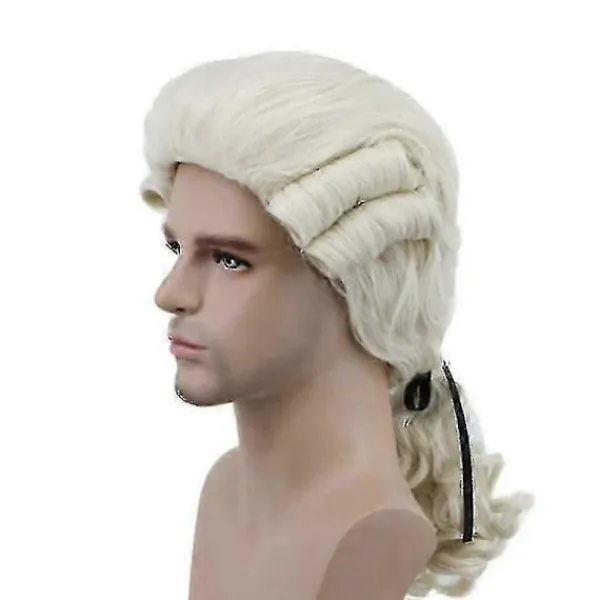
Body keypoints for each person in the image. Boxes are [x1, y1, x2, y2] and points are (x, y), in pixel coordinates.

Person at [139, 50, 534, 599]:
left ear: (362, 280)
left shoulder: (368, 528)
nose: (170, 294)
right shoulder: (226, 489)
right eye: (177, 248)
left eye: (230, 260)